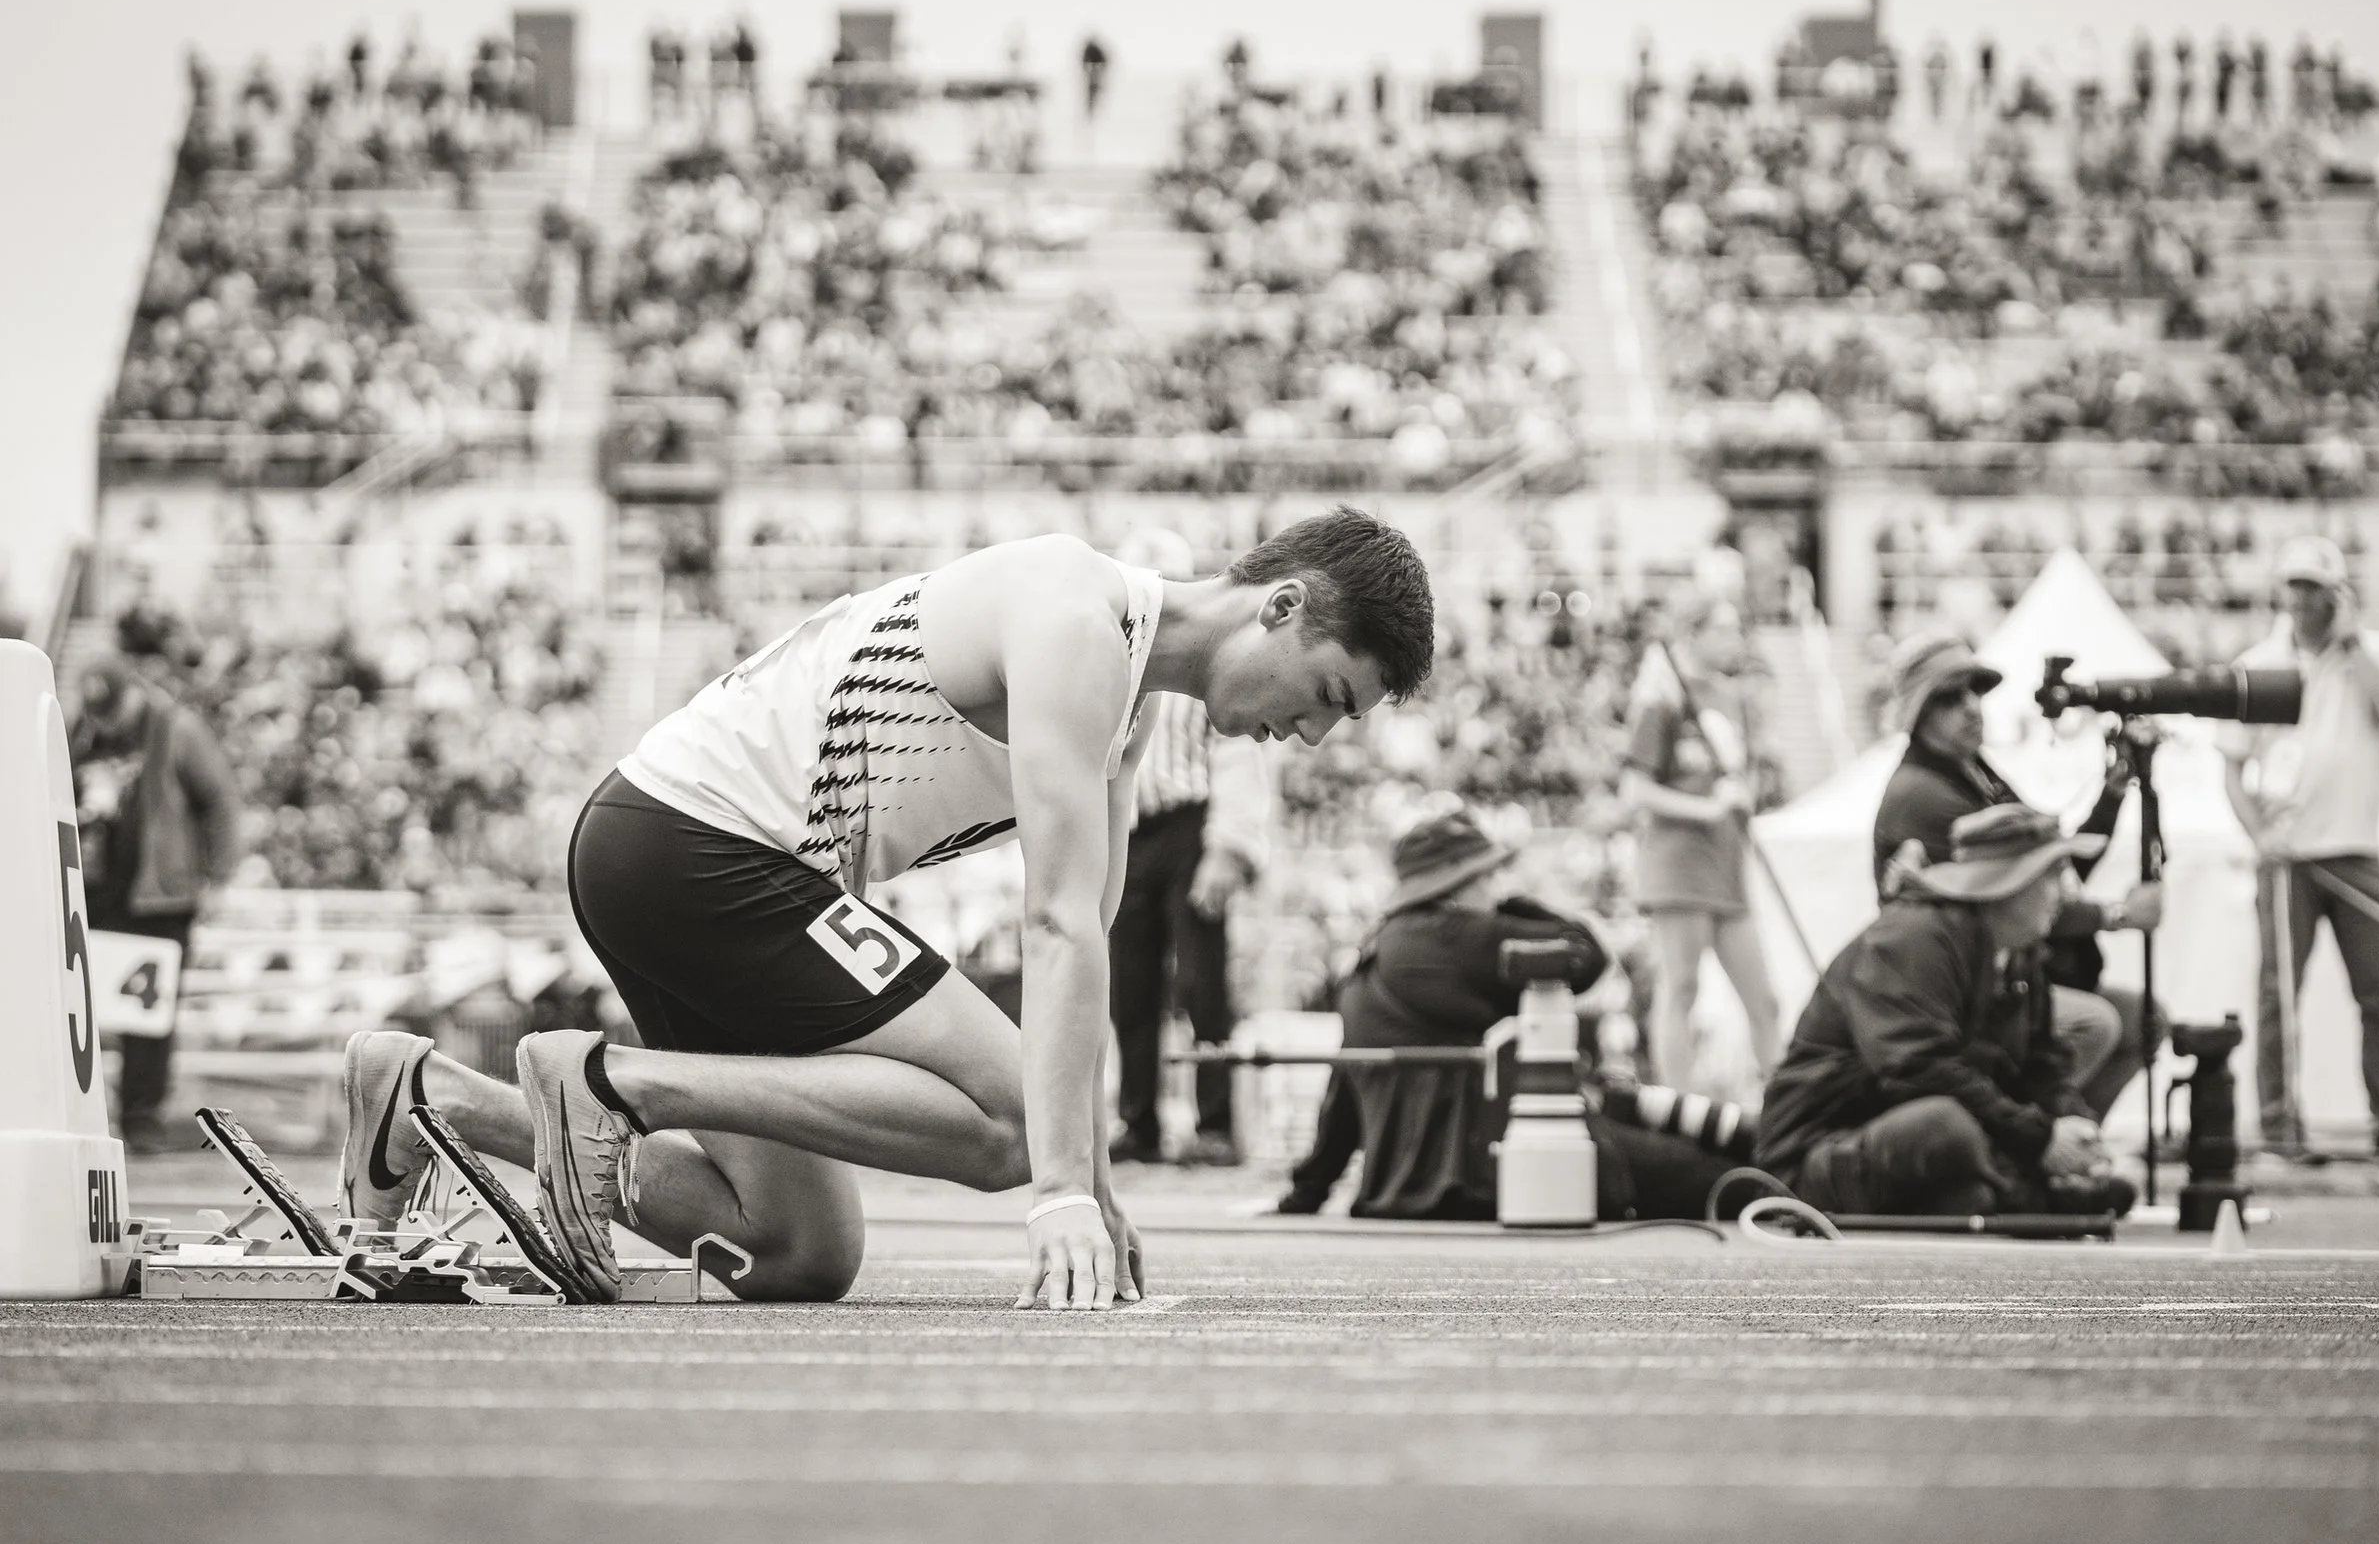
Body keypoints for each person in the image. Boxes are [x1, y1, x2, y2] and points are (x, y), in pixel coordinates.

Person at [337, 511, 1435, 1309]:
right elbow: (1052, 927)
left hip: (682, 855)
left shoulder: (1129, 702)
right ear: (1282, 606)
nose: (1311, 735)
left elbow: (1087, 943)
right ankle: (610, 1082)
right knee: (1015, 1124)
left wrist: (1092, 1191)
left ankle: (432, 1098)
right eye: (1329, 694)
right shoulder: (1073, 614)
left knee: (794, 1252)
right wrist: (1056, 1193)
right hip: (694, 843)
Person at [1274, 812, 1745, 1221]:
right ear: (1461, 883)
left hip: (1408, 1190)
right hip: (1492, 1174)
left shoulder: (1371, 952)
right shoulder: (1454, 934)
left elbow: (1344, 1092)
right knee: (1732, 1179)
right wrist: (1512, 903)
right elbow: (1586, 952)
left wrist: (1306, 1194)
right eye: (1489, 875)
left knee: (1716, 1145)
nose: (1495, 886)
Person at [1756, 805, 2138, 1219]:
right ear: (2012, 883)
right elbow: (1916, 1069)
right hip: (1821, 1152)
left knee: (1969, 1162)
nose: (2065, 893)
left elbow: (2041, 1067)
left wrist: (2076, 1129)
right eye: (2052, 875)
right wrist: (2040, 1138)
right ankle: (2024, 1193)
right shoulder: (1914, 937)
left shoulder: (2018, 952)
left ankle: (2007, 1191)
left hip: (1906, 1138)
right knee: (1945, 1126)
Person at [1871, 629, 2161, 1123]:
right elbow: (2009, 901)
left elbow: (2051, 875)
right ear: (1918, 714)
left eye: (1975, 691)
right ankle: (2036, 1147)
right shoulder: (1922, 794)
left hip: (2006, 977)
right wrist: (2117, 915)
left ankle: (2070, 1141)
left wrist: (2112, 794)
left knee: (2145, 1020)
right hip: (1962, 991)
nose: (1970, 707)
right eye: (1947, 698)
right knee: (2096, 1023)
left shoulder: (1973, 771)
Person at [2221, 536, 2379, 1157]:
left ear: (2338, 595)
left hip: (2357, 848)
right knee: (2278, 995)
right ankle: (2281, 1122)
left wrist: (2355, 641)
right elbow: (2231, 768)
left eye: (2316, 587)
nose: (2304, 599)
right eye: (2297, 586)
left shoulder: (2370, 652)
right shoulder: (2258, 661)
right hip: (2288, 858)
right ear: (2282, 592)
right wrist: (2260, 838)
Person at [1108, 532, 1273, 1167]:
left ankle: (1216, 1121)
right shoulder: (1114, 664)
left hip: (1190, 828)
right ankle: (1140, 1120)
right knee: (1131, 985)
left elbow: (1234, 752)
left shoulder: (1201, 668)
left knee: (1203, 984)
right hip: (1131, 830)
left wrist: (1227, 848)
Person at [68, 656, 242, 1154]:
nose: (106, 721)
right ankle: (91, 1116)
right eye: (97, 711)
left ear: (133, 693)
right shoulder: (80, 733)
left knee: (148, 1014)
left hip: (159, 900)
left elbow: (221, 801)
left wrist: (220, 878)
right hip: (97, 897)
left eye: (112, 710)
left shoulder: (177, 730)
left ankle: (141, 1119)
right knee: (84, 1010)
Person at [1621, 604, 1781, 1092]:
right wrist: (1705, 809)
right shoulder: (1662, 695)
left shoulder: (1732, 698)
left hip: (1727, 864)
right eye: (1724, 629)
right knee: (1681, 985)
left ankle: (1783, 1102)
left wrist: (1741, 799)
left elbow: (1737, 777)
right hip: (1679, 863)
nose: (1736, 640)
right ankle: (1680, 1102)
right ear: (1694, 632)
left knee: (1764, 999)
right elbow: (1635, 790)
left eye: (1739, 629)